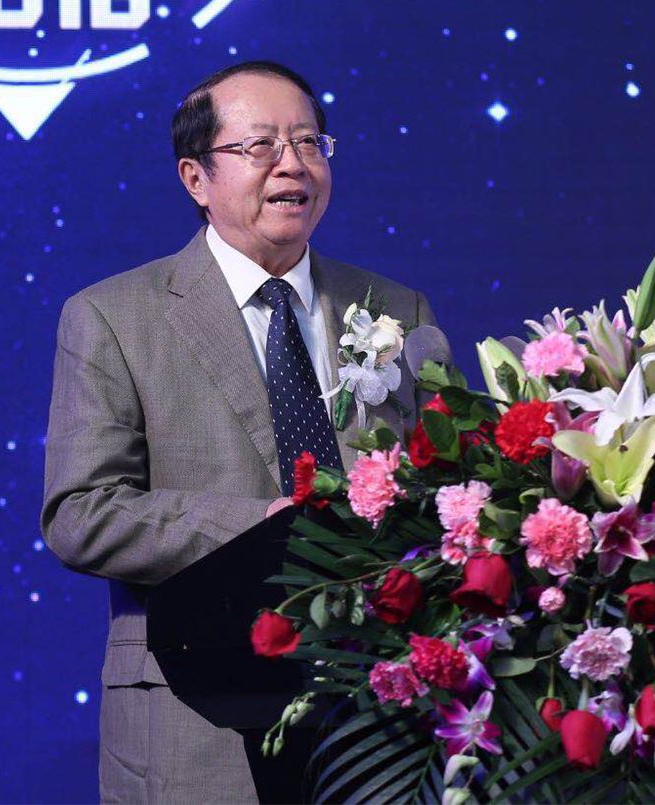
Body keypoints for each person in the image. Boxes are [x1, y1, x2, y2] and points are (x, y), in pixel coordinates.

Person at [40, 60, 437, 803]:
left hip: (380, 715)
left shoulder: (396, 308)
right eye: (261, 146)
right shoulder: (113, 317)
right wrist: (264, 527)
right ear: (196, 177)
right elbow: (82, 513)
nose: (293, 164)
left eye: (309, 142)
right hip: (196, 710)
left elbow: (443, 488)